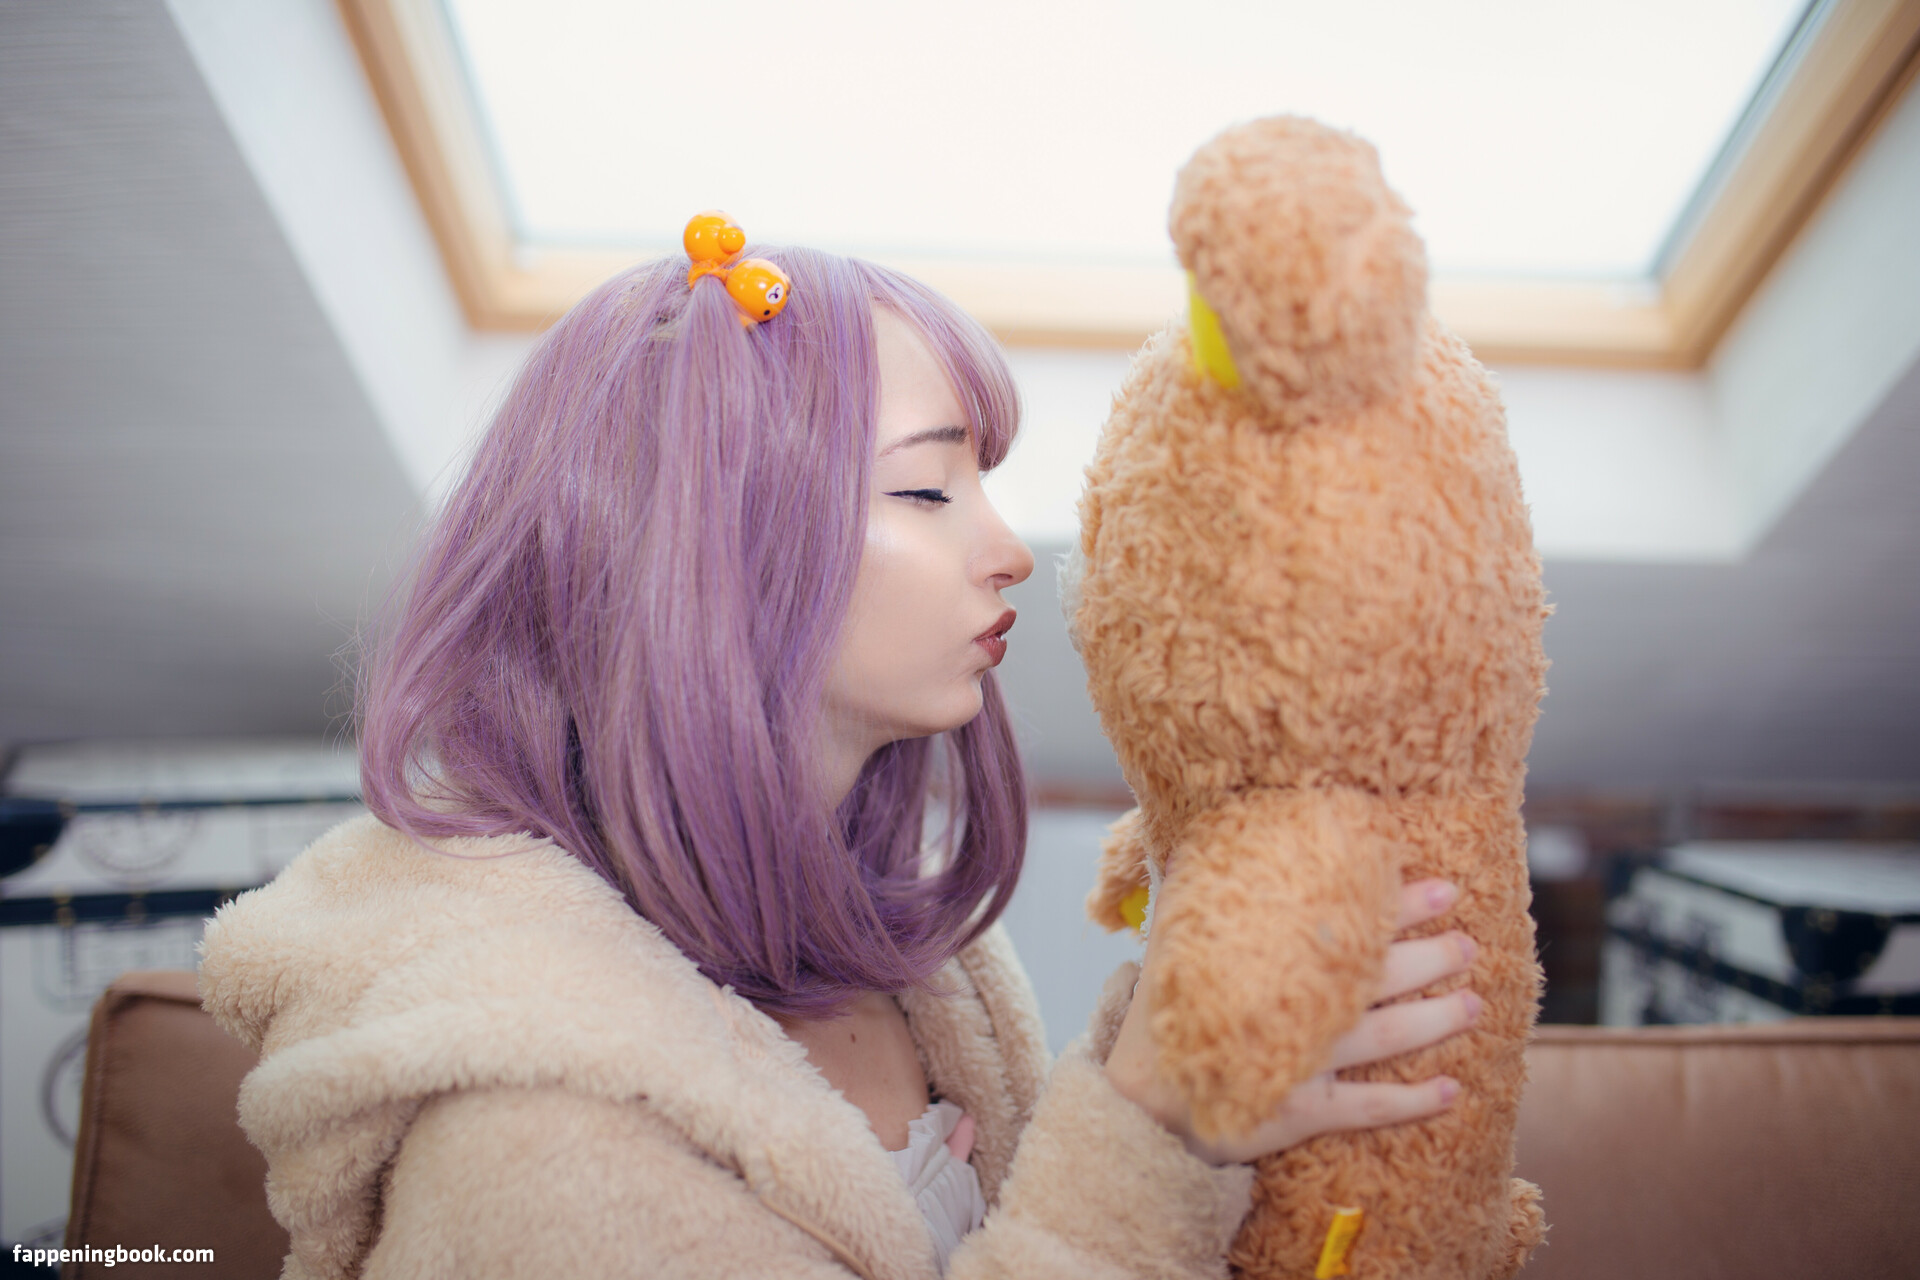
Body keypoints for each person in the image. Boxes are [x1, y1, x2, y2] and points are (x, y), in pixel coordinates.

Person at [197, 224, 1478, 1280]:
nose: (1008, 550)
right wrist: (1148, 1127)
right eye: (926, 490)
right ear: (708, 555)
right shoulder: (534, 1127)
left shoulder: (920, 951)